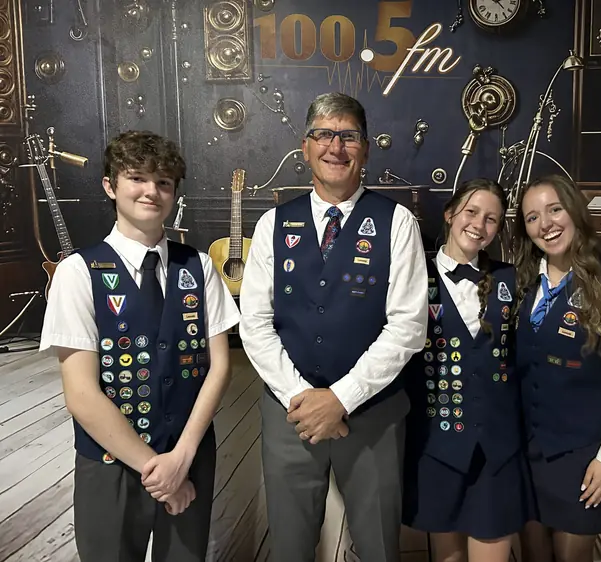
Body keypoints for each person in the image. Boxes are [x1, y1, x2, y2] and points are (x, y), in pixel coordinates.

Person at [239, 91, 428, 562]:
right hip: (290, 414)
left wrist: (341, 399)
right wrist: (302, 399)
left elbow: (408, 326)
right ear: (305, 147)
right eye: (323, 134)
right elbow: (255, 324)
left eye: (349, 136)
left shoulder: (398, 223)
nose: (335, 147)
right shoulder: (271, 224)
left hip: (375, 415)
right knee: (290, 547)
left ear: (366, 149)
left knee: (379, 548)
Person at [39, 130, 241, 562]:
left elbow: (219, 367)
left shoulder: (199, 266)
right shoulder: (78, 272)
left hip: (188, 456)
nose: (151, 191)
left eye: (163, 182)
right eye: (137, 178)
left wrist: (181, 459)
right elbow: (81, 394)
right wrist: (158, 470)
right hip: (110, 463)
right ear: (110, 186)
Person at [513, 174, 601, 562]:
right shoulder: (522, 284)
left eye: (555, 210)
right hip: (527, 452)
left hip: (582, 456)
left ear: (575, 212)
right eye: (532, 217)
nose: (546, 224)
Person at [402, 178, 533, 562]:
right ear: (450, 214)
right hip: (436, 444)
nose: (479, 224)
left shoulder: (513, 279)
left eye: (492, 218)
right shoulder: (413, 277)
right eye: (471, 212)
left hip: (498, 445)